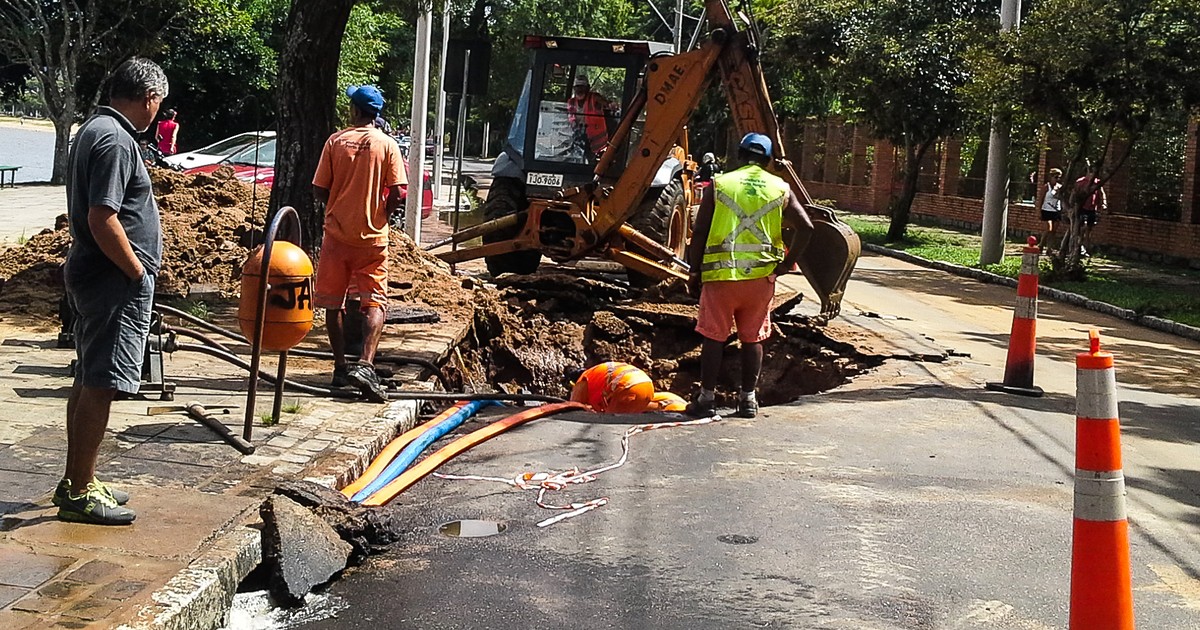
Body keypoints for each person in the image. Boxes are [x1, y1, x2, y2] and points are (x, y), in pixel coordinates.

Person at [58, 57, 169, 525]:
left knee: (88, 375)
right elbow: (102, 218)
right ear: (148, 98)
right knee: (101, 382)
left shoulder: (94, 128)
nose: (158, 114)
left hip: (96, 275)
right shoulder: (117, 140)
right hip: (111, 280)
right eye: (158, 105)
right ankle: (81, 490)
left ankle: (77, 478)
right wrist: (137, 272)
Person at [685, 132, 812, 419]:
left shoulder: (719, 184)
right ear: (768, 161)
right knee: (752, 338)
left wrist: (695, 271)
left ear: (740, 155)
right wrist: (785, 264)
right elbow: (807, 228)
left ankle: (706, 399)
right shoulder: (780, 188)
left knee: (714, 337)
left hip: (721, 276)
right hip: (760, 279)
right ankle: (748, 400)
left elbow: (701, 231)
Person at [312, 85, 407, 402]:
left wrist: (336, 206)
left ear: (355, 111)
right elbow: (399, 192)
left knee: (332, 302)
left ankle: (340, 369)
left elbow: (319, 188)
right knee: (374, 302)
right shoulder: (387, 145)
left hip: (337, 236)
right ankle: (365, 364)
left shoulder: (335, 142)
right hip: (373, 238)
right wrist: (382, 214)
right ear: (375, 114)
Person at [566, 74, 615, 155]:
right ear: (574, 88)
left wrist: (610, 104)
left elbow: (605, 102)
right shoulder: (571, 102)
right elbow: (569, 119)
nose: (579, 89)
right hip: (577, 141)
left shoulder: (594, 98)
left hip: (597, 144)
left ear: (587, 87)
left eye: (582, 86)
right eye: (577, 86)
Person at [1075, 168, 1106, 258]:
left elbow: (1102, 193)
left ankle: (1087, 248)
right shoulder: (1080, 182)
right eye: (1091, 172)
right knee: (1082, 228)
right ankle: (1079, 247)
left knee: (1089, 230)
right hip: (1082, 208)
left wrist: (1104, 203)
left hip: (1092, 209)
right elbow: (1075, 194)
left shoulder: (1097, 182)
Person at [1038, 167, 1062, 254]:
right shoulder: (1046, 187)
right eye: (1056, 177)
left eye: (1059, 177)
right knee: (1048, 229)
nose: (1057, 179)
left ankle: (1049, 248)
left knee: (1053, 231)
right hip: (1046, 210)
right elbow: (1040, 199)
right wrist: (1039, 211)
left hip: (1056, 210)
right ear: (1051, 177)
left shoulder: (1060, 187)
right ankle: (1041, 244)